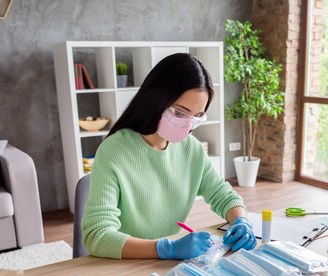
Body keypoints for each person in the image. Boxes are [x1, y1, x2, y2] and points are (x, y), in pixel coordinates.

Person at [82, 53, 256, 260]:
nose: (188, 123)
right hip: (125, 262)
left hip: (168, 265)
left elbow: (222, 194)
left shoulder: (191, 148)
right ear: (157, 100)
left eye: (196, 116)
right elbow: (97, 236)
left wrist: (241, 220)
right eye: (181, 113)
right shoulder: (114, 151)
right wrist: (166, 249)